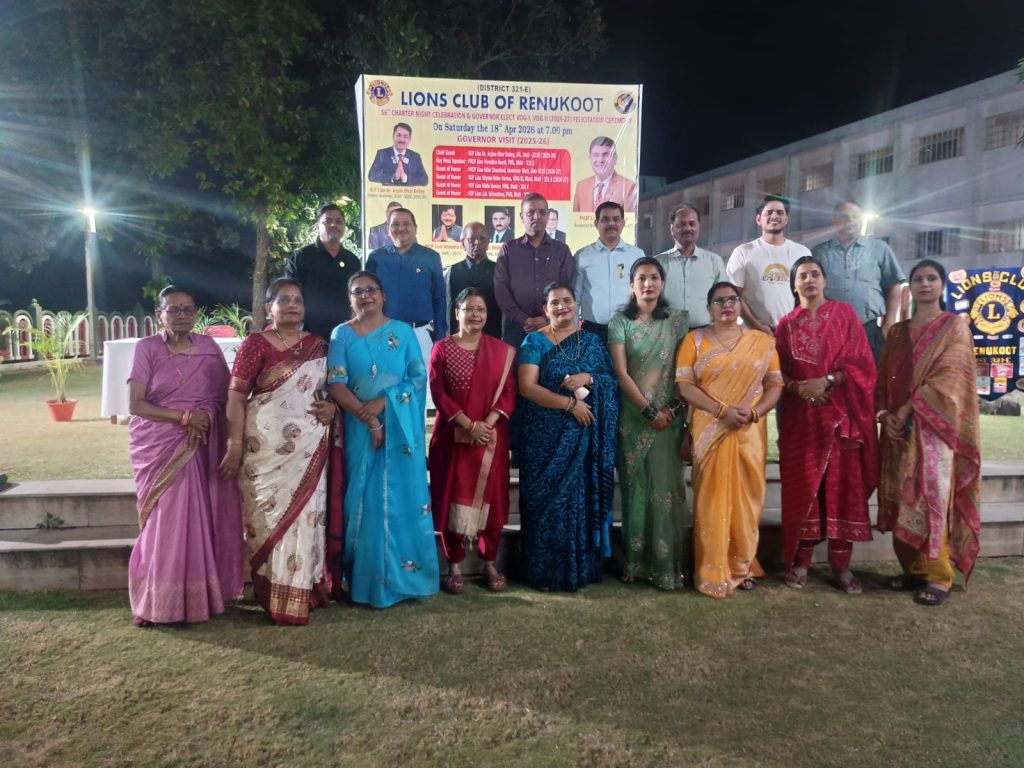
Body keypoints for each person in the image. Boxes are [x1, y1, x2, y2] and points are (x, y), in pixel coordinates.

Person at [220, 278, 342, 624]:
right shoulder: (255, 344)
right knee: (268, 520)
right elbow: (235, 396)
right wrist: (234, 444)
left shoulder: (319, 345)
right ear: (268, 308)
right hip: (265, 449)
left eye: (298, 300)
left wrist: (332, 407)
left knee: (307, 516)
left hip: (308, 447)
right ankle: (273, 594)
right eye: (284, 300)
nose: (292, 305)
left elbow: (329, 390)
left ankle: (302, 590)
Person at [126, 285, 244, 625]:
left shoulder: (208, 347)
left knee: (200, 517)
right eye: (173, 310)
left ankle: (200, 598)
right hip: (161, 443)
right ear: (159, 315)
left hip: (204, 442)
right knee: (167, 520)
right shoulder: (147, 348)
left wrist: (207, 419)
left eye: (188, 309)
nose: (181, 315)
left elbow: (227, 396)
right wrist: (184, 417)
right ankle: (160, 602)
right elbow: (136, 404)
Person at [327, 271, 439, 607]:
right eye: (357, 291)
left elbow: (417, 378)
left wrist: (381, 405)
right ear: (350, 298)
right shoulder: (341, 334)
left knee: (402, 498)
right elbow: (336, 384)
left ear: (383, 295)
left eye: (371, 290)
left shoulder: (403, 332)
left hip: (398, 429)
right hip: (359, 430)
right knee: (364, 500)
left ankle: (405, 581)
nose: (365, 296)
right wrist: (368, 418)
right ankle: (366, 583)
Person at [876, 259, 981, 607]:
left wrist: (907, 409)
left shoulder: (954, 327)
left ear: (941, 285)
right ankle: (913, 569)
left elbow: (949, 379)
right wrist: (885, 414)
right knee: (899, 495)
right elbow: (885, 378)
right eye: (918, 279)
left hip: (933, 429)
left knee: (930, 497)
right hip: (896, 430)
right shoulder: (897, 332)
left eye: (931, 278)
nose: (925, 284)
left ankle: (939, 575)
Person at [774, 256, 878, 594]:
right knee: (805, 489)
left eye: (815, 274)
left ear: (824, 281)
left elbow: (863, 364)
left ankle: (841, 566)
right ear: (793, 285)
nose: (809, 280)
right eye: (802, 276)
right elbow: (776, 373)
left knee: (842, 490)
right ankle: (801, 561)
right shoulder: (785, 325)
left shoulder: (845, 315)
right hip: (802, 422)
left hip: (841, 420)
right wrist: (800, 389)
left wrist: (829, 380)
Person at [675, 282, 783, 598]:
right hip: (710, 428)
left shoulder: (761, 342)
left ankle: (743, 566)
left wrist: (755, 412)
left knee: (747, 499)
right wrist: (720, 411)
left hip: (748, 431)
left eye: (732, 299)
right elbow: (684, 386)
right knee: (710, 500)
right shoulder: (694, 340)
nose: (726, 305)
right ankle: (711, 569)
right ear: (709, 308)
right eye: (718, 300)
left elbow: (775, 385)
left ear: (740, 304)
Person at [517, 282, 619, 591]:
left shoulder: (591, 341)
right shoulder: (534, 341)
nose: (562, 306)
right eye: (554, 303)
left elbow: (610, 381)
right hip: (543, 437)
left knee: (579, 501)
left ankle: (580, 569)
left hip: (583, 438)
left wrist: (588, 377)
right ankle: (543, 573)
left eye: (567, 300)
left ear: (576, 304)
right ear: (545, 309)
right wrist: (570, 405)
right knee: (543, 502)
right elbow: (527, 387)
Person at [428, 288, 517, 594]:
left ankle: (489, 562)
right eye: (469, 309)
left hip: (491, 439)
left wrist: (486, 425)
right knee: (452, 496)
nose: (476, 314)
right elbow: (439, 392)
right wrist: (468, 425)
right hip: (453, 438)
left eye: (481, 309)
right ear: (457, 313)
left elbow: (509, 393)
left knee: (493, 500)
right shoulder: (441, 349)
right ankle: (454, 565)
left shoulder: (501, 351)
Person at [608, 257, 689, 589]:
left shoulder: (678, 321)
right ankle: (635, 561)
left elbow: (685, 371)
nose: (648, 284)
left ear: (662, 283)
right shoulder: (620, 322)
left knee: (666, 491)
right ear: (631, 285)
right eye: (641, 278)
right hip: (633, 418)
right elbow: (621, 372)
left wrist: (669, 408)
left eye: (654, 277)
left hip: (670, 417)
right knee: (636, 491)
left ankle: (665, 566)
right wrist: (648, 412)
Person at [812, 200, 905, 362]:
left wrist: (888, 325)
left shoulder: (879, 249)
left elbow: (894, 285)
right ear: (834, 222)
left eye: (855, 216)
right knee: (833, 376)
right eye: (844, 216)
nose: (850, 220)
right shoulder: (819, 253)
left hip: (870, 330)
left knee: (872, 376)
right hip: (830, 331)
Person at [494, 193, 576, 350]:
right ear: (521, 216)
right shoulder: (509, 249)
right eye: (530, 212)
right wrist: (523, 319)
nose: (536, 217)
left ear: (548, 215)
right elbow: (500, 288)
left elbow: (568, 287)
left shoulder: (561, 250)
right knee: (516, 366)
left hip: (554, 325)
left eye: (542, 212)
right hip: (517, 327)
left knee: (553, 365)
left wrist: (546, 317)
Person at [367, 207, 447, 368]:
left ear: (415, 228)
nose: (401, 228)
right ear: (388, 229)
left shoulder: (431, 257)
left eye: (406, 223)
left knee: (421, 381)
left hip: (421, 334)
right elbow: (367, 298)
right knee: (388, 379)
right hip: (386, 333)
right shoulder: (376, 258)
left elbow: (439, 299)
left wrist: (440, 337)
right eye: (395, 224)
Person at [727, 195, 812, 334]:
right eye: (769, 212)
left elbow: (809, 294)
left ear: (786, 219)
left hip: (792, 332)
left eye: (780, 212)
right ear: (758, 219)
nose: (774, 216)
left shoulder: (802, 252)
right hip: (753, 333)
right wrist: (757, 326)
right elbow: (733, 295)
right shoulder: (743, 252)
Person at [284, 203, 360, 340]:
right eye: (327, 221)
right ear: (317, 226)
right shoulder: (301, 257)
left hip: (344, 333)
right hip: (308, 333)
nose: (333, 225)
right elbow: (288, 294)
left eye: (338, 221)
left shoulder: (352, 260)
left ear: (344, 227)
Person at [575, 201, 644, 343]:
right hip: (592, 331)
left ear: (623, 223)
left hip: (629, 329)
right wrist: (573, 331)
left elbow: (643, 295)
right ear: (596, 223)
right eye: (605, 219)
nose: (611, 223)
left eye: (616, 219)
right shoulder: (583, 256)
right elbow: (576, 297)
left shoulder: (637, 255)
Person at [656, 205, 727, 328]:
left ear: (698, 227)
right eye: (682, 224)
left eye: (692, 224)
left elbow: (723, 299)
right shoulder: (657, 263)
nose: (687, 228)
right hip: (666, 334)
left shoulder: (714, 261)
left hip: (705, 333)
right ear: (672, 229)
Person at [444, 222, 502, 338]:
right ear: (462, 243)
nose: (477, 243)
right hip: (459, 336)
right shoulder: (451, 272)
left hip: (492, 334)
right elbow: (448, 308)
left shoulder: (499, 271)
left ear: (488, 243)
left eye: (482, 239)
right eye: (471, 239)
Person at [572, 136, 639, 213]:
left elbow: (629, 219)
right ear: (590, 158)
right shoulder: (581, 186)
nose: (600, 160)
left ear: (615, 159)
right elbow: (574, 219)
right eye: (596, 155)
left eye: (606, 155)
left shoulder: (629, 187)